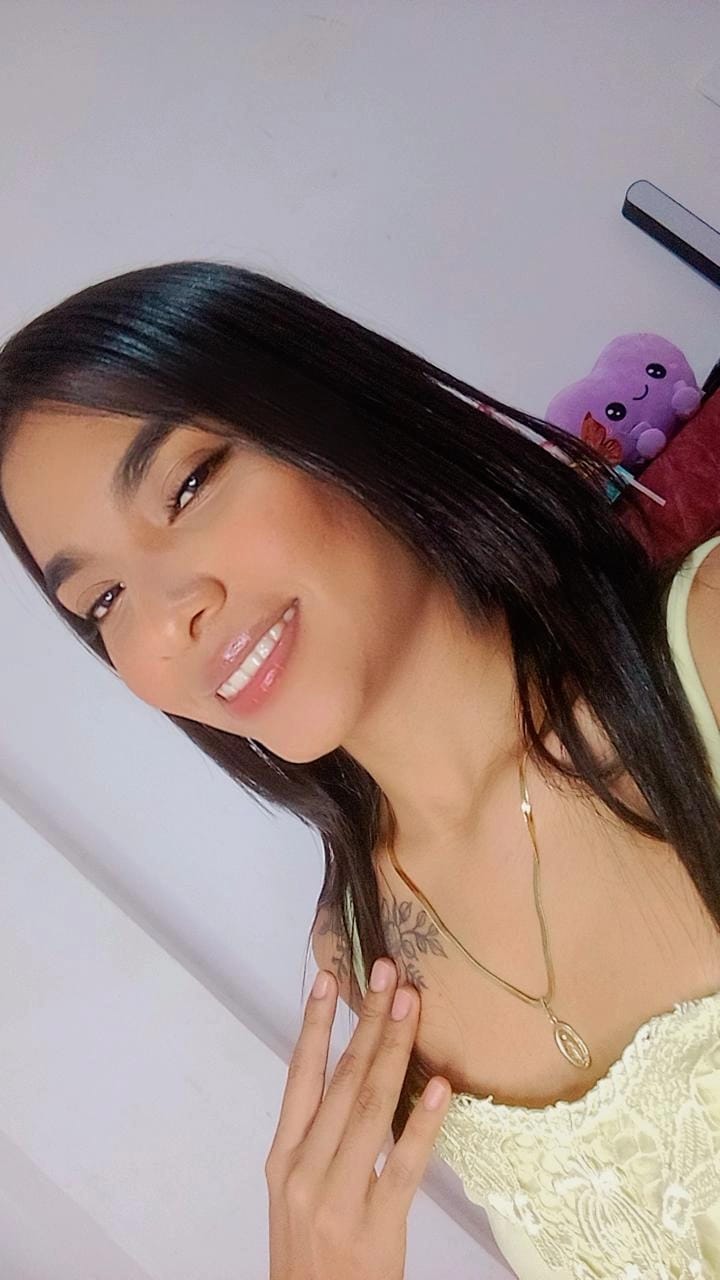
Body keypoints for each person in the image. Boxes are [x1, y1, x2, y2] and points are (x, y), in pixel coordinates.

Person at [0, 261, 719, 1279]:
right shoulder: (365, 956)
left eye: (188, 485)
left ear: (336, 412)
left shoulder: (708, 650)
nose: (167, 618)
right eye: (104, 602)